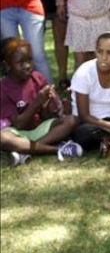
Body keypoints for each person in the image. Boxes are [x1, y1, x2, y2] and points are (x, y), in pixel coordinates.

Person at [0, 37, 82, 165]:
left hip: (40, 129)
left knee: (72, 120)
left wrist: (50, 105)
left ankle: (26, 150)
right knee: (2, 137)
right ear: (7, 65)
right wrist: (37, 102)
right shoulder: (3, 88)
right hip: (18, 133)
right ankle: (56, 149)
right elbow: (19, 125)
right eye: (21, 62)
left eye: (29, 60)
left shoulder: (37, 78)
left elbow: (46, 117)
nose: (27, 66)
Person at [70, 32, 110, 157]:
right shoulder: (84, 73)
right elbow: (84, 115)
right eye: (100, 51)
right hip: (90, 123)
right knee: (83, 134)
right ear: (96, 51)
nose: (104, 57)